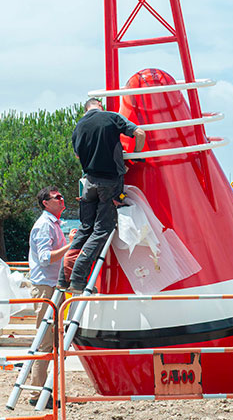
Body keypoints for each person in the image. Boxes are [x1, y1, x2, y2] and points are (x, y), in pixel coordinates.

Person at [62, 98, 145, 292]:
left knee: (85, 229)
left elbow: (78, 155)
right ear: (100, 106)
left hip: (89, 183)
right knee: (101, 230)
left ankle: (63, 279)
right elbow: (140, 133)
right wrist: (135, 157)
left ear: (85, 110)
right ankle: (78, 279)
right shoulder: (111, 117)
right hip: (109, 182)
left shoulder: (78, 127)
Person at [26, 186, 71, 403]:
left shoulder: (54, 224)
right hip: (46, 287)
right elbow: (45, 258)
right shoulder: (44, 225)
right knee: (45, 342)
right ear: (46, 202)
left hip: (53, 285)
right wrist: (70, 246)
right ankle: (37, 394)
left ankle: (46, 392)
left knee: (54, 342)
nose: (62, 199)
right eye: (57, 197)